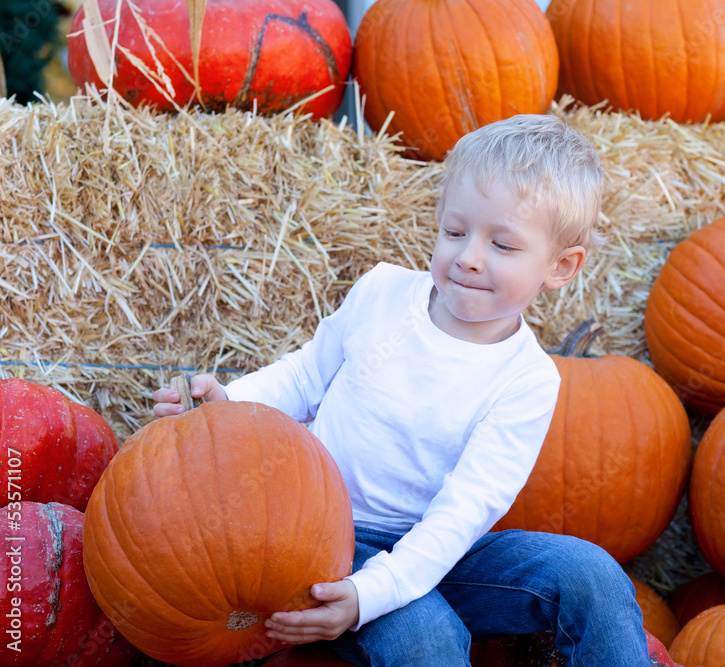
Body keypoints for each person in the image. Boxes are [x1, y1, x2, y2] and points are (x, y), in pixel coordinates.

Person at [152, 113, 650, 666]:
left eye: (502, 245)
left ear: (561, 266)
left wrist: (379, 591)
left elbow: (462, 514)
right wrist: (228, 405)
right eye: (455, 231)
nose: (468, 257)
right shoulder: (383, 294)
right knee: (426, 639)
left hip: (441, 553)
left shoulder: (527, 380)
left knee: (590, 574)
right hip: (318, 538)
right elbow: (303, 378)